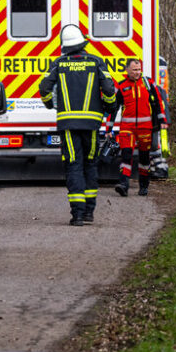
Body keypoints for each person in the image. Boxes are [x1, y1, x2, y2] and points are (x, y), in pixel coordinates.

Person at [39, 24, 117, 226]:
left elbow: (44, 88)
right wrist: (110, 107)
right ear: (83, 43)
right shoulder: (96, 62)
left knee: (74, 166)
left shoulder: (59, 63)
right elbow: (109, 90)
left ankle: (78, 215)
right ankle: (89, 212)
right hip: (91, 124)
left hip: (68, 125)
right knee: (90, 164)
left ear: (65, 46)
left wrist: (49, 104)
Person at [105, 58, 168, 197]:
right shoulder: (121, 87)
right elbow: (113, 110)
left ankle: (144, 185)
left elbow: (157, 101)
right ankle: (123, 185)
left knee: (144, 158)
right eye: (134, 70)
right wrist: (108, 129)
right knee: (126, 155)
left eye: (139, 69)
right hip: (127, 128)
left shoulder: (148, 83)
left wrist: (162, 119)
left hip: (146, 128)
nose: (137, 72)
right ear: (127, 70)